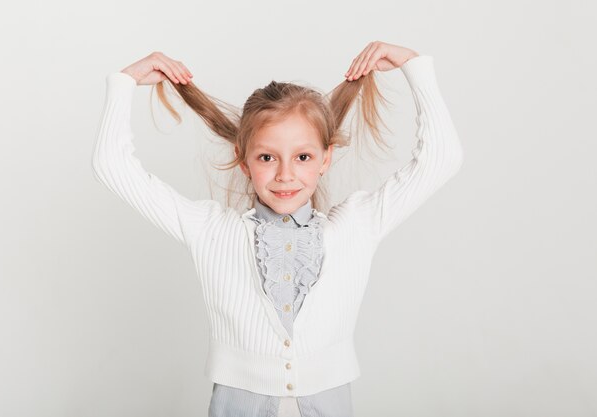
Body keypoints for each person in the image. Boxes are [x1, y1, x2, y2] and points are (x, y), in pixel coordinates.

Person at [91, 41, 464, 417]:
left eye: (303, 157)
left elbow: (441, 158)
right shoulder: (211, 231)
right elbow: (112, 165)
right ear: (243, 161)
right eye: (267, 157)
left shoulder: (357, 225)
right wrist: (125, 82)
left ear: (325, 159)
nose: (285, 174)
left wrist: (414, 67)